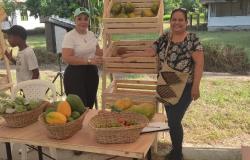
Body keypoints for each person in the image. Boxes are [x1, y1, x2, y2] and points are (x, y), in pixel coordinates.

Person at [122, 8, 204, 160]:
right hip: (167, 83)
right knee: (173, 120)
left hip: (185, 86)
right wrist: (131, 54)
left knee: (174, 120)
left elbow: (199, 64)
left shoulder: (193, 39)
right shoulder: (165, 37)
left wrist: (196, 86)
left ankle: (177, 153)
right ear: (170, 21)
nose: (177, 22)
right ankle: (175, 151)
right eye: (174, 19)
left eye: (180, 20)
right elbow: (150, 52)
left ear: (186, 22)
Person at [62, 7, 103, 109]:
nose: (83, 22)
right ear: (74, 20)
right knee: (79, 108)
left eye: (86, 19)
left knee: (89, 105)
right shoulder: (70, 36)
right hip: (75, 75)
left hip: (91, 73)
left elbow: (98, 52)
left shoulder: (91, 34)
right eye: (79, 19)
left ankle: (87, 124)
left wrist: (112, 49)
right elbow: (67, 57)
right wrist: (89, 61)